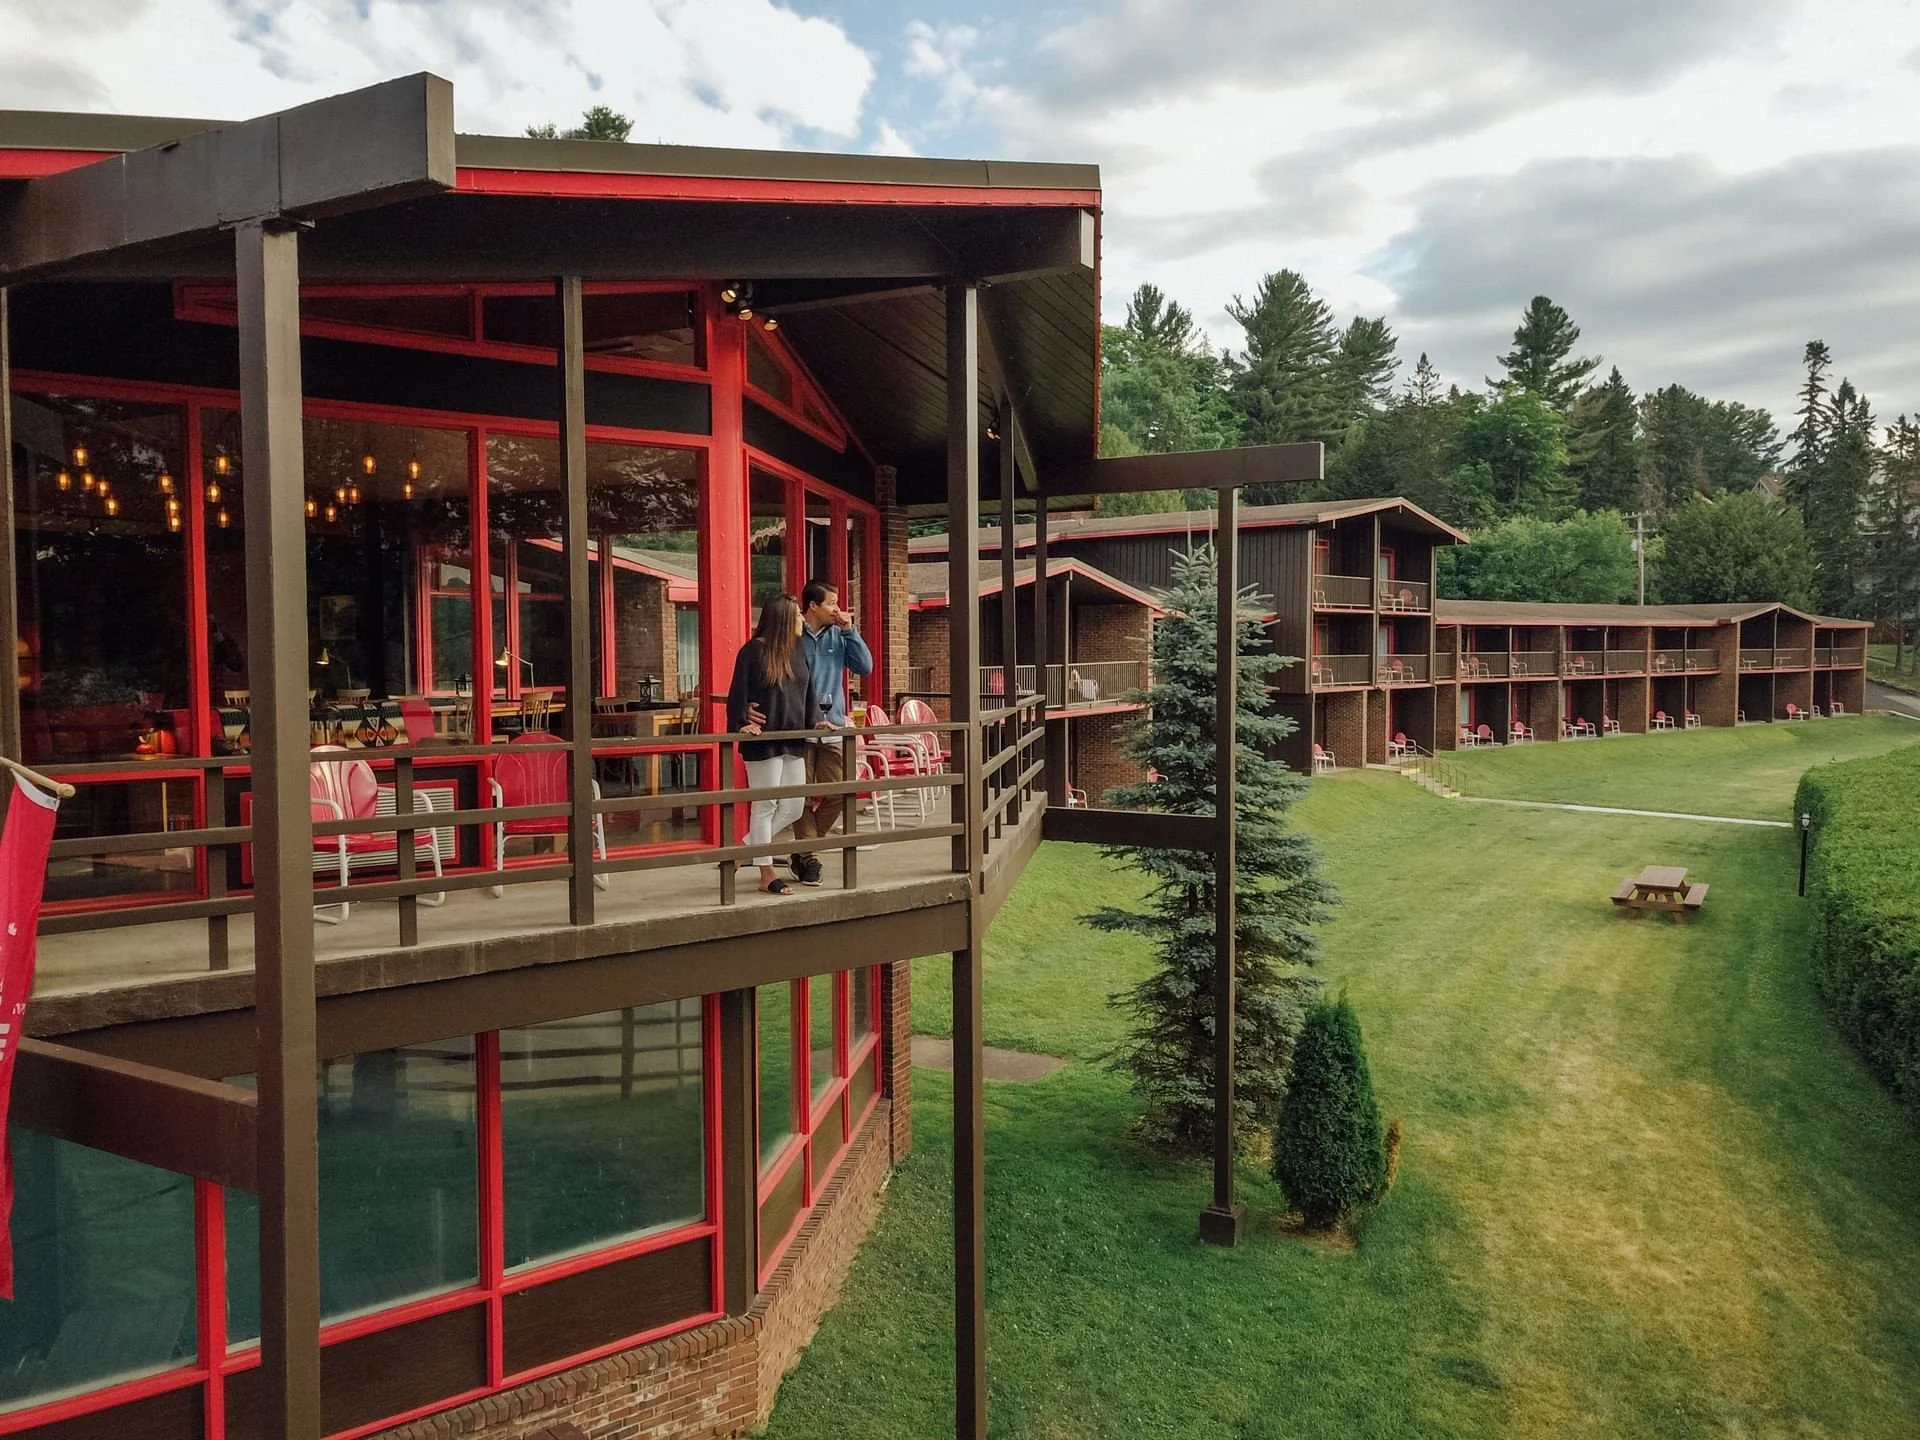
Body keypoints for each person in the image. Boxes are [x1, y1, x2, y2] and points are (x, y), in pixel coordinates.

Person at [727, 594, 827, 896]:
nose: (802, 620)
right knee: (766, 805)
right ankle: (766, 873)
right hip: (763, 740)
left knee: (794, 807)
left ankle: (743, 851)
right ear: (783, 618)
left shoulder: (798, 650)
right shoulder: (752, 652)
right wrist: (741, 720)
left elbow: (808, 692)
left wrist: (817, 720)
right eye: (797, 615)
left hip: (793, 738)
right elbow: (737, 694)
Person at [787, 580, 874, 886]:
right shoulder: (793, 637)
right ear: (813, 606)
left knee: (839, 793)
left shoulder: (840, 634)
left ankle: (804, 851)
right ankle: (810, 859)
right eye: (832, 603)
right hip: (799, 730)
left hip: (834, 727)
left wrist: (850, 630)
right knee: (799, 797)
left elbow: (865, 667)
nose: (838, 608)